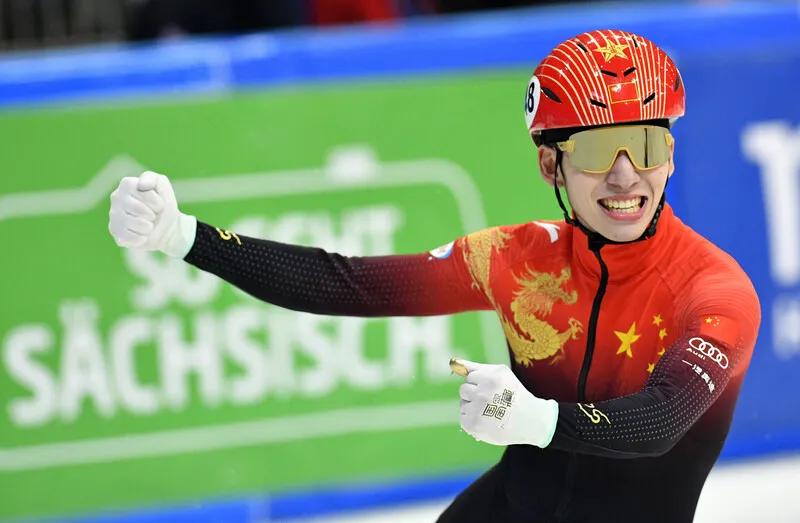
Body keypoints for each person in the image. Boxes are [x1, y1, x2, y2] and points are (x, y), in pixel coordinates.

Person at [107, 29, 761, 523]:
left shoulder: (712, 289)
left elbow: (664, 417)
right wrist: (183, 236)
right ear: (549, 167)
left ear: (670, 155)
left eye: (644, 145)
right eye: (594, 149)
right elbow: (352, 282)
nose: (625, 176)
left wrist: (537, 420)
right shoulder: (517, 257)